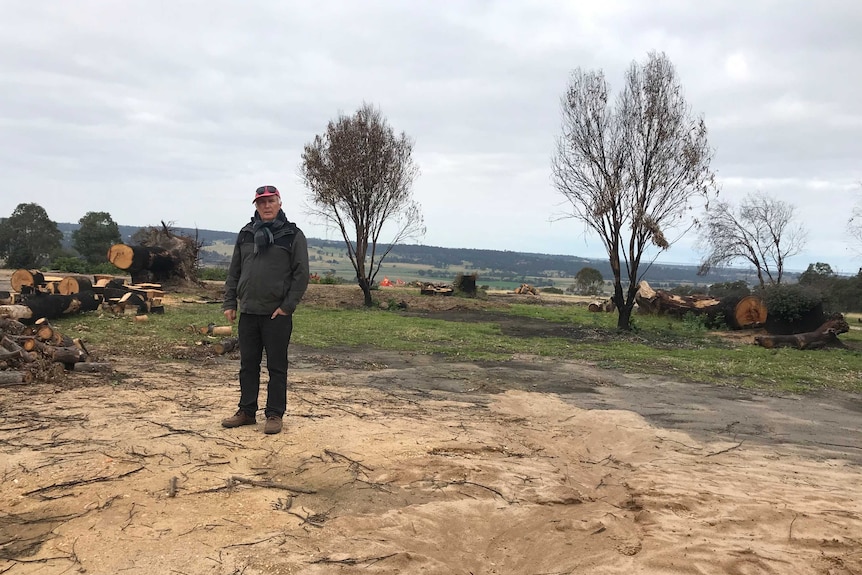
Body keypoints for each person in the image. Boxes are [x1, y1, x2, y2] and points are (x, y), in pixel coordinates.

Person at [221, 185, 309, 434]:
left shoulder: (292, 235)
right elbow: (234, 271)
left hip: (276, 314)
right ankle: (247, 411)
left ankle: (274, 414)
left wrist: (287, 307)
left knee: (277, 367)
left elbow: (301, 275)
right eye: (261, 202)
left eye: (270, 201)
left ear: (279, 203)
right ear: (256, 206)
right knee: (248, 365)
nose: (266, 206)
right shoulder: (246, 233)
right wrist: (230, 302)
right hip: (248, 311)